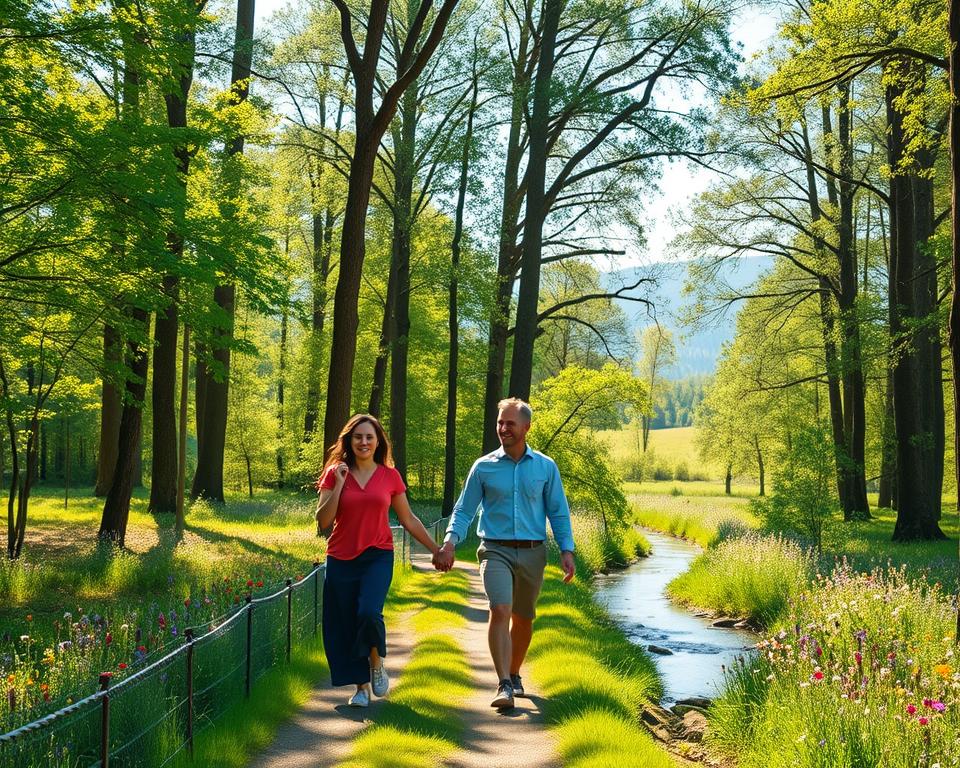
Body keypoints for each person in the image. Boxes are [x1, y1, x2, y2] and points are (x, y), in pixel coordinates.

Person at [433, 397, 575, 709]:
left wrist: (567, 550)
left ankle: (515, 671)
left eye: (509, 423)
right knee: (500, 609)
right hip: (494, 550)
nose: (503, 428)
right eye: (500, 422)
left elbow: (558, 512)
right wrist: (450, 542)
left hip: (533, 553)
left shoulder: (545, 467)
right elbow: (464, 510)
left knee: (523, 618)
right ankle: (504, 684)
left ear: (526, 427)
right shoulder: (483, 467)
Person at [315, 413, 442, 708]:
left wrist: (436, 549)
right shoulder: (335, 472)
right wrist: (338, 484)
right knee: (347, 621)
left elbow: (408, 519)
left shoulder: (390, 476)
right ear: (350, 440)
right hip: (341, 558)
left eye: (369, 437)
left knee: (369, 612)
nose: (363, 442)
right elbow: (323, 520)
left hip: (378, 555)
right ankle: (361, 689)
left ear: (378, 441)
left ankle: (377, 663)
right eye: (358, 436)